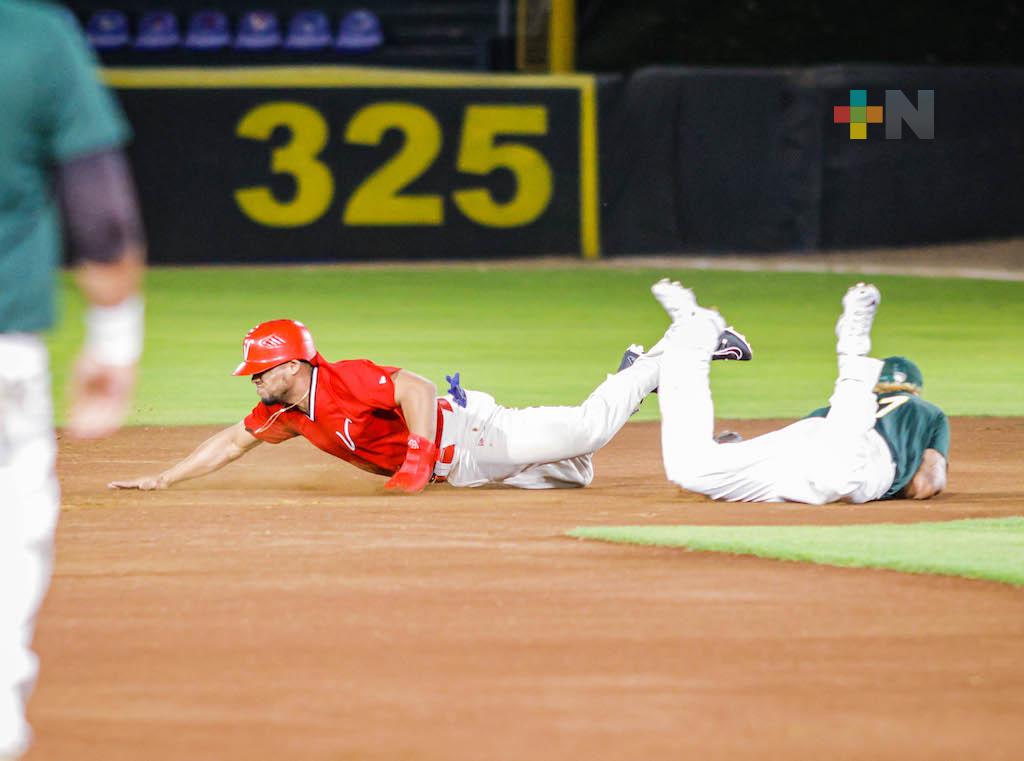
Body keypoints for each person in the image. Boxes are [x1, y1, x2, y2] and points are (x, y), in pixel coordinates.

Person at [109, 316, 751, 494]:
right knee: (577, 469)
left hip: (467, 436)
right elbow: (230, 442)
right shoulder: (288, 413)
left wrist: (417, 456)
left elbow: (415, 389)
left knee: (588, 427)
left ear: (292, 363)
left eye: (259, 369)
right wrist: (163, 478)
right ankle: (636, 379)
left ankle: (673, 351)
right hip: (462, 468)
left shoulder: (346, 378)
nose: (251, 379)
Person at [0, 3, 147, 759]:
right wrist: (115, 339)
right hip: (4, 352)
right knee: (10, 533)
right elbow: (99, 206)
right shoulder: (32, 34)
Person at [650, 279, 948, 504]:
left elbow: (795, 446)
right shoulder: (927, 413)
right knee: (838, 478)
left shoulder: (829, 414)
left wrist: (735, 454)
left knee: (689, 472)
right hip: (856, 460)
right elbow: (927, 484)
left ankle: (696, 333)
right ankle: (853, 346)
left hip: (807, 440)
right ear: (915, 390)